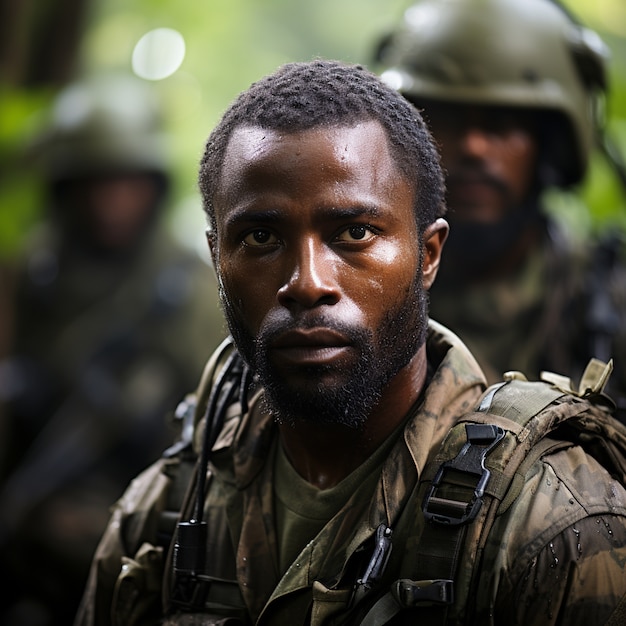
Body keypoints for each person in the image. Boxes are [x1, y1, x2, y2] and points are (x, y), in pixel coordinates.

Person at [73, 59, 626, 626]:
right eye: (262, 237)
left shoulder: (552, 525)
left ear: (427, 255)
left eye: (355, 233)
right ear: (217, 259)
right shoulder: (165, 513)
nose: (307, 281)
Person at [0, 73, 226, 626]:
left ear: (153, 186)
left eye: (126, 183)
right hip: (47, 473)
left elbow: (222, 431)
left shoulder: (189, 289)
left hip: (149, 500)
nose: (110, 203)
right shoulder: (43, 273)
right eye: (93, 185)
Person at [373, 0, 626, 418]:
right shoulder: (353, 293)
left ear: (550, 145)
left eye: (502, 123)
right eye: (448, 119)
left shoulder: (605, 307)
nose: (474, 146)